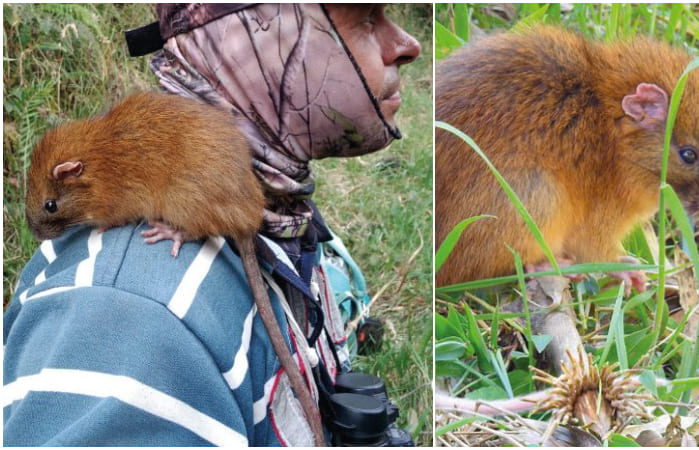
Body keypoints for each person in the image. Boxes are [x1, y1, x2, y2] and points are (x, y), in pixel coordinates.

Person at [3, 4, 420, 446]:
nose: (408, 46)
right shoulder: (132, 316)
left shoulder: (286, 214)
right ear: (264, 38)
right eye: (366, 18)